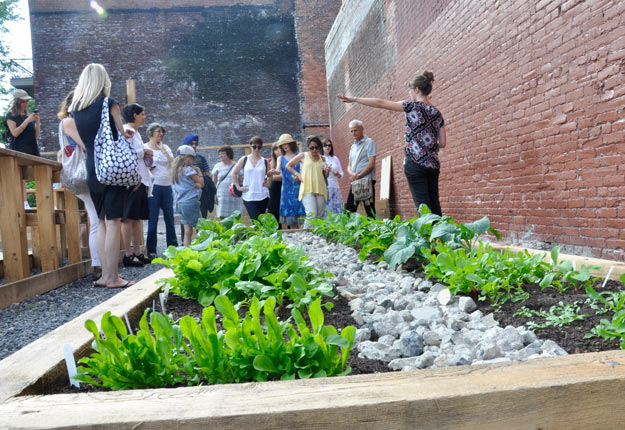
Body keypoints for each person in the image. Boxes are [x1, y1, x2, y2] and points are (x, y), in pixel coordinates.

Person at [337, 70, 446, 215]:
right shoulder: (437, 113)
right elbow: (443, 143)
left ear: (417, 90)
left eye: (410, 90)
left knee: (423, 206)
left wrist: (355, 99)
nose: (409, 93)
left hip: (415, 162)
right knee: (434, 204)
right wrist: (427, 146)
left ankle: (428, 236)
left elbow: (380, 103)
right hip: (433, 164)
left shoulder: (411, 107)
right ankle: (441, 235)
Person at [70, 63, 135, 289]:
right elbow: (123, 133)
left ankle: (103, 275)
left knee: (100, 221)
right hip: (111, 169)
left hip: (92, 169)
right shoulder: (109, 104)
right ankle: (112, 277)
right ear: (102, 80)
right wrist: (126, 130)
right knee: (114, 221)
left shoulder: (76, 108)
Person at [57, 91, 101, 279]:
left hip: (81, 174)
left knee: (97, 219)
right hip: (81, 174)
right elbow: (85, 145)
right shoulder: (68, 121)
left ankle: (99, 264)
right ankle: (98, 265)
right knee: (97, 220)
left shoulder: (68, 121)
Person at [121, 103, 152, 267]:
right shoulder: (128, 131)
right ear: (135, 115)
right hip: (132, 179)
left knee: (137, 218)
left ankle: (138, 251)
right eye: (143, 114)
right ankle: (127, 253)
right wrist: (145, 151)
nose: (144, 117)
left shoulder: (136, 133)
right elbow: (127, 153)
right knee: (128, 217)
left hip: (142, 178)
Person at [145, 122, 178, 260]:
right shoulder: (145, 147)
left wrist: (163, 150)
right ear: (151, 133)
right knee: (152, 220)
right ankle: (151, 250)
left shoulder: (166, 147)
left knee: (170, 218)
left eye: (162, 132)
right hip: (154, 186)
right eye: (158, 131)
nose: (161, 134)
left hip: (166, 185)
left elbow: (174, 163)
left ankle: (173, 248)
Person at [286, 135, 330, 228]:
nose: (314, 150)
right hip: (307, 188)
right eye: (312, 148)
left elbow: (324, 176)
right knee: (311, 214)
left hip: (321, 188)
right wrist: (297, 174)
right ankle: (305, 235)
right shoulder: (303, 155)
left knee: (320, 216)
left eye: (316, 147)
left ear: (320, 147)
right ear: (307, 148)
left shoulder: (323, 159)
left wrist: (327, 172)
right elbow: (288, 165)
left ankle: (318, 237)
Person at [268, 133, 305, 228]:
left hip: (298, 187)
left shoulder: (299, 155)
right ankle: (294, 235)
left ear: (291, 144)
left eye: (286, 144)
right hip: (286, 189)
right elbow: (278, 170)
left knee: (301, 211)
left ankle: (302, 233)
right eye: (282, 145)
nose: (284, 146)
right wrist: (273, 172)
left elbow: (305, 168)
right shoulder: (280, 158)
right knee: (290, 216)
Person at [231, 136, 270, 221]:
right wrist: (238, 187)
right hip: (248, 195)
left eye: (259, 147)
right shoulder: (244, 159)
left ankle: (261, 234)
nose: (256, 149)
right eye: (254, 147)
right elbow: (234, 173)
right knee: (255, 221)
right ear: (250, 146)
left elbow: (270, 175)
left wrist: (268, 182)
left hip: (263, 194)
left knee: (262, 221)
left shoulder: (265, 161)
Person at [171, 145, 204, 246]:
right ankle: (203, 250)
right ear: (187, 157)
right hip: (191, 202)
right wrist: (199, 171)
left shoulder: (176, 171)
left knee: (187, 231)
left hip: (180, 203)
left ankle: (186, 250)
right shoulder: (188, 170)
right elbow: (202, 183)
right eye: (193, 158)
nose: (193, 160)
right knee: (201, 229)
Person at [184, 134, 216, 218]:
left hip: (200, 190)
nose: (194, 146)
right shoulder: (180, 159)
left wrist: (199, 177)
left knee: (202, 215)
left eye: (196, 144)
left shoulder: (200, 158)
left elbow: (207, 173)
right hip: (186, 192)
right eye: (191, 144)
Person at [5, 89, 40, 156]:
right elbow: (15, 133)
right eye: (23, 101)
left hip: (33, 151)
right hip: (19, 152)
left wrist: (37, 123)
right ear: (16, 102)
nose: (25, 104)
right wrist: (27, 120)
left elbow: (36, 136)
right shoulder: (11, 116)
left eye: (27, 101)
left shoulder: (27, 115)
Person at [211, 145, 241, 219]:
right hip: (221, 196)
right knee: (222, 218)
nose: (220, 155)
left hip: (234, 195)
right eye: (219, 153)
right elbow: (213, 182)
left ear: (229, 154)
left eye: (222, 153)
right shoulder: (217, 166)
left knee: (235, 217)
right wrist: (213, 195)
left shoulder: (237, 165)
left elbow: (241, 180)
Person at [321, 137, 344, 214]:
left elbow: (342, 174)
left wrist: (338, 174)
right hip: (326, 186)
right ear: (322, 147)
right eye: (325, 145)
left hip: (336, 186)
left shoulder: (335, 158)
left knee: (337, 208)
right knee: (327, 208)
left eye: (329, 145)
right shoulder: (320, 158)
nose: (327, 147)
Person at [267, 141, 282, 225]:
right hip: (274, 189)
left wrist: (272, 177)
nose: (277, 151)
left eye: (278, 148)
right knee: (274, 210)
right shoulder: (271, 162)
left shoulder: (286, 160)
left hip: (284, 188)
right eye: (275, 149)